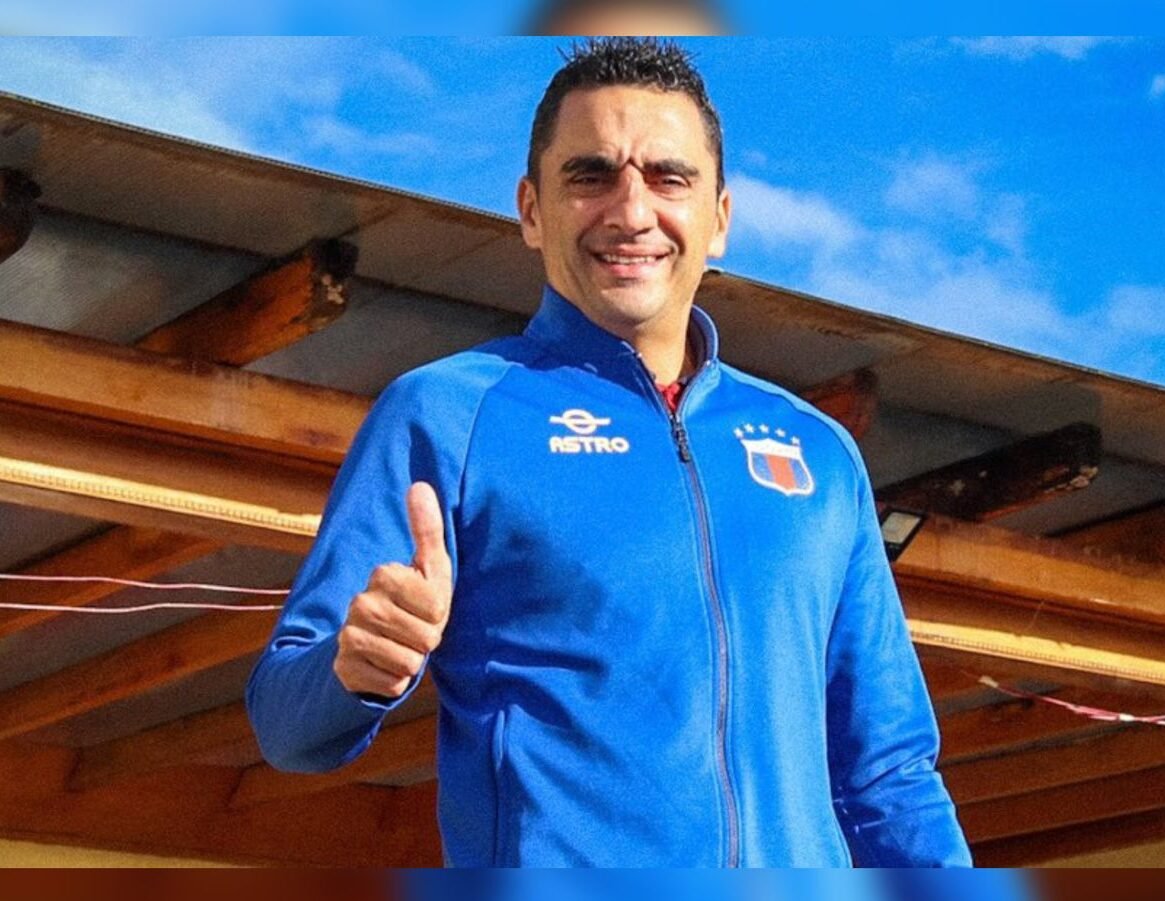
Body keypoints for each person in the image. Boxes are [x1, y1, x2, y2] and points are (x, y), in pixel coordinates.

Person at [246, 37, 971, 867]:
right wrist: (355, 669)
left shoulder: (820, 453)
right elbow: (284, 721)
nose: (631, 212)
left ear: (720, 219)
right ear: (531, 210)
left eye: (668, 177)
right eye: (590, 176)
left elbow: (888, 775)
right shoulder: (444, 415)